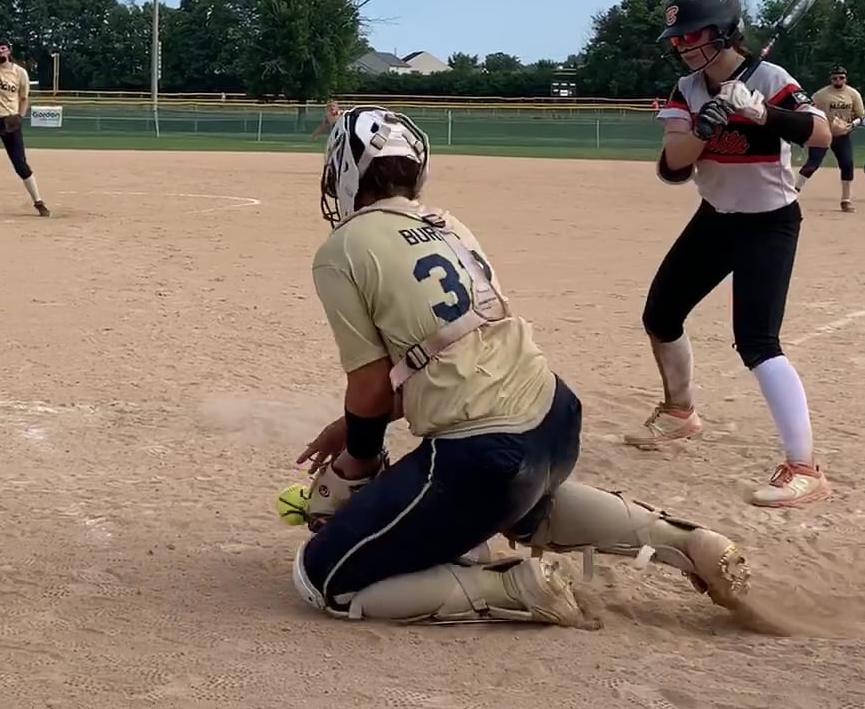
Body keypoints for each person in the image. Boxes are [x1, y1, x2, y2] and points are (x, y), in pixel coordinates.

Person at [290, 105, 751, 627]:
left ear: (345, 173)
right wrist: (352, 426)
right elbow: (453, 353)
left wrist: (357, 461)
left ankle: (512, 586)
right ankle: (687, 541)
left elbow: (372, 387)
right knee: (522, 503)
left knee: (321, 577)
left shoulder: (343, 248)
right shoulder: (448, 225)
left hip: (487, 455)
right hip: (555, 418)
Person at [636, 0, 833, 508]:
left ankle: (804, 468)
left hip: (770, 222)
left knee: (757, 341)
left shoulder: (770, 78)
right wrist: (704, 128)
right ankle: (680, 413)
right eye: (678, 38)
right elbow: (672, 168)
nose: (682, 46)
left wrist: (762, 114)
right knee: (661, 314)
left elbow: (821, 134)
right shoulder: (687, 89)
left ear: (724, 32)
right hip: (716, 218)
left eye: (692, 35)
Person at [0, 41, 47, 218]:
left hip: (9, 121)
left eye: (3, 48)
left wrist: (19, 117)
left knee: (21, 164)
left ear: (9, 51)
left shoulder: (19, 72)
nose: (0, 51)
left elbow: (24, 99)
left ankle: (38, 201)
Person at [795, 65, 864, 211]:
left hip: (842, 134)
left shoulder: (853, 94)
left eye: (841, 77)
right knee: (812, 164)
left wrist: (852, 125)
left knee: (847, 164)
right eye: (835, 78)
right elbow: (808, 109)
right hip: (822, 133)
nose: (838, 80)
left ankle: (846, 200)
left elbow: (860, 115)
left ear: (846, 78)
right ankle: (793, 193)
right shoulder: (821, 94)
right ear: (830, 79)